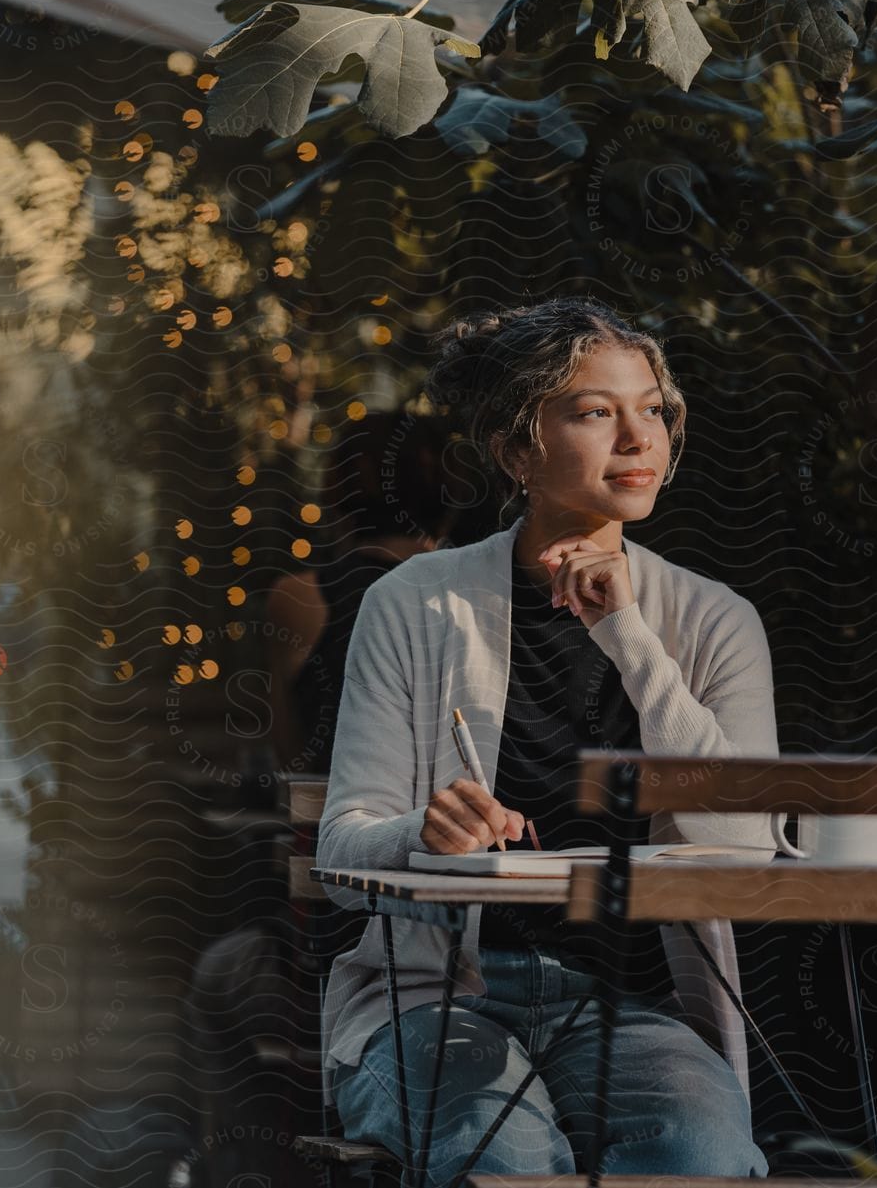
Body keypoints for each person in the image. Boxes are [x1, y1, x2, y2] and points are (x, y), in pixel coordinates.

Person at [317, 297, 779, 1183]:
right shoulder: (415, 603)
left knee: (704, 1155)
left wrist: (631, 639)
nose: (640, 438)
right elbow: (343, 845)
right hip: (433, 999)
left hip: (631, 1005)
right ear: (517, 452)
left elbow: (741, 843)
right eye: (597, 412)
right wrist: (422, 829)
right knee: (510, 1156)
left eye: (654, 409)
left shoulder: (715, 621)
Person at [263, 409, 464, 777]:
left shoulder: (299, 597)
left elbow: (291, 757)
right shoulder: (478, 594)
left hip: (333, 824)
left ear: (338, 490)